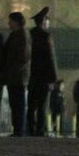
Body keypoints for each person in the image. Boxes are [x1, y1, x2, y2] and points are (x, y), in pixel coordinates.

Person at [27, 7, 58, 137]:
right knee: (42, 106)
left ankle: (31, 129)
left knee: (31, 104)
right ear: (44, 21)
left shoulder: (30, 34)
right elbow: (51, 57)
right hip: (44, 77)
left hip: (31, 76)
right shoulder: (46, 36)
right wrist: (54, 77)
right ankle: (40, 130)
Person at [1, 12, 30, 136]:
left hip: (18, 76)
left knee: (18, 104)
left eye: (11, 21)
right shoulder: (15, 34)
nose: (9, 23)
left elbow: (23, 57)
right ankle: (17, 129)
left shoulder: (22, 35)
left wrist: (13, 70)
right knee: (14, 104)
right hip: (13, 76)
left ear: (17, 22)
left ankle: (19, 130)